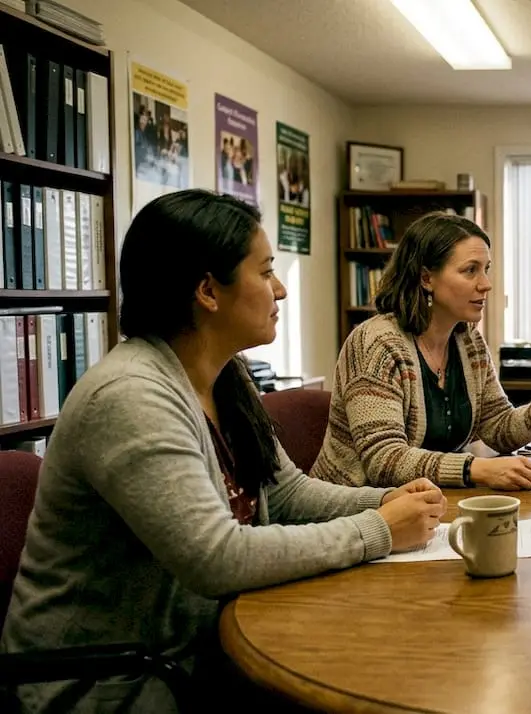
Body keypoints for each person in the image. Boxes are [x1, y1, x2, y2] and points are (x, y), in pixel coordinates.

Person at [0, 190, 447, 713]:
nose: (279, 289)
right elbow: (216, 557)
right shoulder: (129, 397)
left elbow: (288, 492)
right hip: (112, 680)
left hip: (200, 646)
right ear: (208, 291)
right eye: (265, 273)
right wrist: (378, 530)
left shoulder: (223, 375)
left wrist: (391, 500)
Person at [311, 212, 531, 492]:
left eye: (486, 269)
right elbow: (383, 460)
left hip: (425, 507)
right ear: (426, 278)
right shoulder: (377, 344)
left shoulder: (467, 341)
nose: (486, 284)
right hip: (353, 512)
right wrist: (475, 469)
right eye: (470, 270)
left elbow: (500, 429)